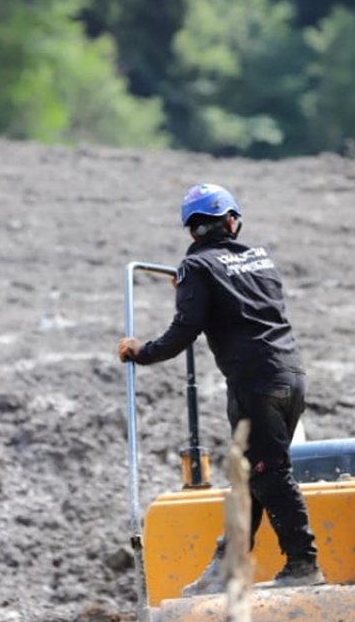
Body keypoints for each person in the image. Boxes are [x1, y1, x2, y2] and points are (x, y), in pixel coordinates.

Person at [117, 183, 324, 595]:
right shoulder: (260, 258)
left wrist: (141, 352)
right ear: (232, 220)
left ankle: (303, 561)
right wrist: (198, 292)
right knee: (252, 475)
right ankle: (226, 565)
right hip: (291, 377)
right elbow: (244, 301)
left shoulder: (196, 269)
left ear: (191, 229)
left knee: (269, 472)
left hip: (254, 385)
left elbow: (184, 332)